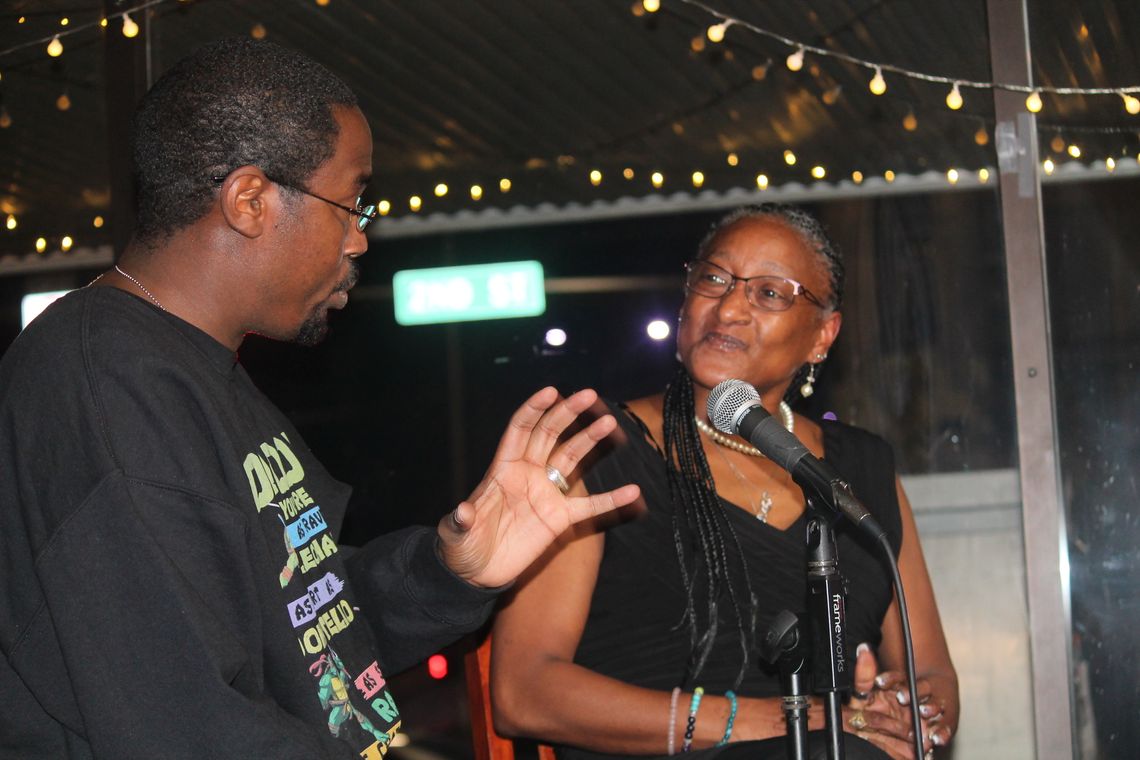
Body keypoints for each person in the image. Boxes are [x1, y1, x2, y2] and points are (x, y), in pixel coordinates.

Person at [0, 39, 639, 759]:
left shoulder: (193, 371)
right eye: (351, 201)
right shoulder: (107, 387)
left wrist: (450, 570)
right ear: (250, 201)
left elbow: (304, 624)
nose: (360, 239)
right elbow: (187, 730)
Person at [491, 204, 959, 760]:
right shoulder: (596, 449)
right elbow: (524, 692)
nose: (730, 306)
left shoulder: (860, 469)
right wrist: (782, 722)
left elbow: (931, 673)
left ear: (822, 336)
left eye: (768, 293)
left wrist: (901, 714)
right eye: (714, 279)